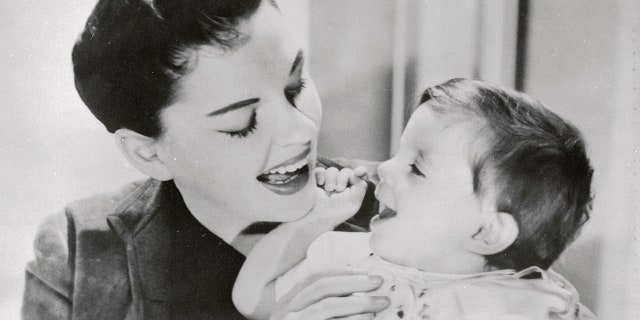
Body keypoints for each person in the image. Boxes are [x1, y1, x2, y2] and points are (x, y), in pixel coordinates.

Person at [21, 0, 387, 319]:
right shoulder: (77, 251)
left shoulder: (405, 202)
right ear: (149, 153)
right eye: (240, 123)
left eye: (295, 87)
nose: (301, 132)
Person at [233, 78, 597, 320]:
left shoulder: (526, 308)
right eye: (398, 155)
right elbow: (251, 298)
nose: (384, 169)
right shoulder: (353, 262)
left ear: (488, 231)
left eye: (416, 168)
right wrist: (319, 217)